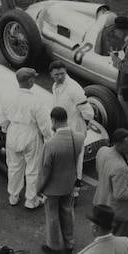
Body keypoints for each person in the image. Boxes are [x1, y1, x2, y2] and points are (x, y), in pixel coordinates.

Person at [0, 67, 53, 209]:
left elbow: (3, 119)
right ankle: (31, 200)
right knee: (33, 169)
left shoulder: (7, 96)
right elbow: (45, 125)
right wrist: (48, 138)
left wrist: (5, 130)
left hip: (13, 131)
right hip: (30, 133)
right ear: (30, 81)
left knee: (14, 166)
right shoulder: (37, 101)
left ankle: (13, 196)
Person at [37, 107, 85, 254]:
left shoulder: (50, 144)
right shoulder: (78, 138)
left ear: (53, 121)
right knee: (68, 212)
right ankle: (69, 243)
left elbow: (45, 170)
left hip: (52, 187)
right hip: (69, 183)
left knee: (52, 216)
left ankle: (54, 246)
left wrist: (39, 188)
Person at [49, 61, 93, 190]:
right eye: (56, 74)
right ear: (51, 74)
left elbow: (88, 111)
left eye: (62, 73)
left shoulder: (74, 88)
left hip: (75, 129)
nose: (60, 77)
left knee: (75, 161)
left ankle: (75, 189)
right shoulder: (55, 86)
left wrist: (86, 123)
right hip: (61, 128)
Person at [93, 128, 128, 237]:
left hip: (100, 202)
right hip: (117, 213)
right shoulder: (120, 168)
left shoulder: (103, 151)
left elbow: (102, 170)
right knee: (119, 242)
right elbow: (120, 194)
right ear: (119, 144)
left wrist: (124, 161)